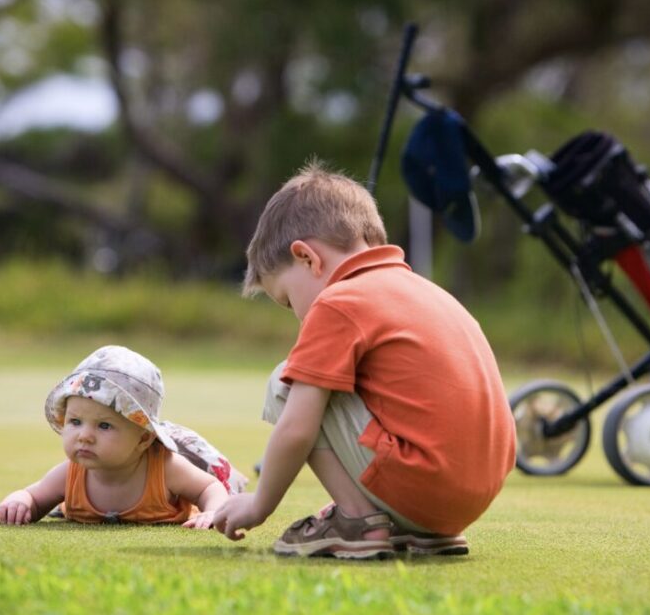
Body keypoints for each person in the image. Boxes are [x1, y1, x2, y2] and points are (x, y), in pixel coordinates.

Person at [213, 161, 516, 558]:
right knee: (328, 379)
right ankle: (416, 526)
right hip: (470, 500)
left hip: (422, 485)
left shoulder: (339, 302)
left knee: (286, 381)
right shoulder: (429, 292)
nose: (298, 315)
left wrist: (258, 505)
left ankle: (357, 521)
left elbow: (297, 428)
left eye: (288, 300)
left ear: (307, 258)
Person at [0, 345, 246, 528]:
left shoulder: (165, 467)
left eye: (104, 426)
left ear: (144, 439)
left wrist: (212, 511)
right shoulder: (70, 473)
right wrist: (18, 502)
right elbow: (34, 497)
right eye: (76, 422)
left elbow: (209, 487)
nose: (84, 436)